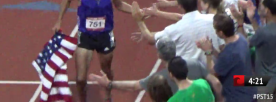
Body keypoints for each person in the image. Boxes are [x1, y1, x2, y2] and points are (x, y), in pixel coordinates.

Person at [52, 0, 143, 102]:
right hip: (86, 36)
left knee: (106, 70)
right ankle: (83, 99)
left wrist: (138, 12)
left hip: (105, 36)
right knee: (81, 78)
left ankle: (108, 95)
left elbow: (119, 5)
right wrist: (59, 21)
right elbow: (66, 0)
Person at [88, 36, 224, 102]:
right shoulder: (201, 78)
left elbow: (135, 85)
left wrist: (109, 84)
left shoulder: (160, 81)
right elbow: (217, 83)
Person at [196, 14, 257, 102]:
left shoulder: (229, 53)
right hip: (250, 91)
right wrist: (212, 49)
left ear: (221, 33)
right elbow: (226, 60)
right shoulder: (241, 39)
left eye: (215, 29)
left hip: (237, 97)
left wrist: (208, 52)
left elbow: (213, 72)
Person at [248, 0, 276, 97]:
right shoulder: (264, 32)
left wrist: (240, 22)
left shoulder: (264, 32)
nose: (259, 6)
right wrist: (252, 20)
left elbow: (244, 46)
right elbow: (261, 37)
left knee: (236, 81)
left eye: (261, 5)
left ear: (267, 11)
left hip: (263, 81)